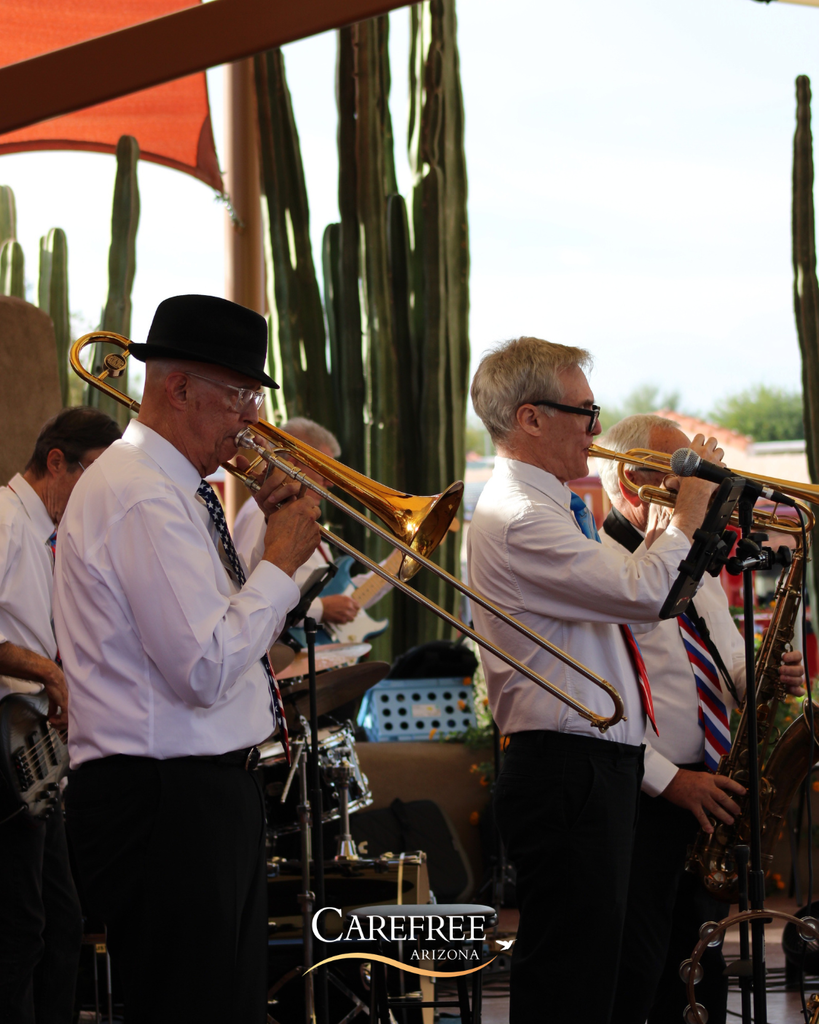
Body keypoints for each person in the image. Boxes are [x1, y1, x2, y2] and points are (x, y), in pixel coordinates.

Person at [53, 295, 322, 1024]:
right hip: (166, 800)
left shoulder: (175, 490)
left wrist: (277, 553)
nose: (250, 418)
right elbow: (202, 668)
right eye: (238, 395)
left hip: (194, 796)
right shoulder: (142, 493)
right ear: (178, 389)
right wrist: (282, 563)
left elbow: (226, 637)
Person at [467, 336, 723, 1024]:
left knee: (597, 980)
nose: (593, 426)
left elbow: (633, 594)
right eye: (583, 410)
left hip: (588, 765)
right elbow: (643, 594)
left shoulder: (548, 505)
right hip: (566, 770)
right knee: (572, 985)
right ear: (529, 419)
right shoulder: (520, 515)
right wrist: (688, 507)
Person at [597, 414, 804, 1024]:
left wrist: (760, 676)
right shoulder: (602, 568)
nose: (707, 490)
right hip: (649, 793)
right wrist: (673, 780)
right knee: (646, 967)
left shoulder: (690, 558)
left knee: (704, 964)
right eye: (691, 474)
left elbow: (726, 655)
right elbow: (600, 703)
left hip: (709, 789)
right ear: (637, 480)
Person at [0, 406, 121, 1024]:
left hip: (30, 743)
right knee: (21, 925)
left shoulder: (46, 532)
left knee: (61, 918)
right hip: (3, 737)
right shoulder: (2, 517)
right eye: (92, 476)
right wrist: (50, 673)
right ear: (56, 462)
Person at [234, 416, 360, 627]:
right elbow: (246, 587)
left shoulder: (293, 513)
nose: (329, 483)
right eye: (323, 471)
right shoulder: (260, 512)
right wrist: (322, 609)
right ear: (292, 464)